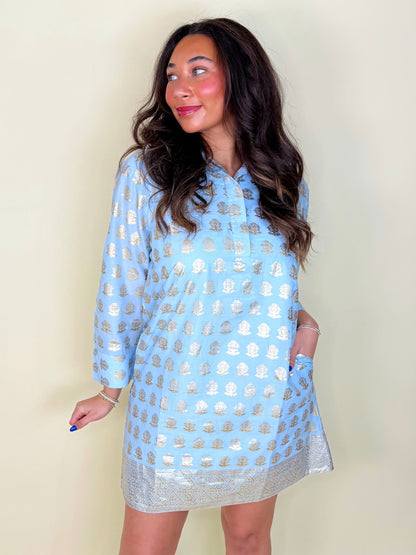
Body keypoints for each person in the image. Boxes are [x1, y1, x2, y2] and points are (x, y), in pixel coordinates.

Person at [69, 17, 334, 555]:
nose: (179, 89)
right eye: (171, 76)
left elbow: (272, 284)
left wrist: (304, 333)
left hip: (263, 397)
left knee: (249, 541)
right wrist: (110, 388)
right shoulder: (147, 174)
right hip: (173, 398)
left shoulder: (283, 178)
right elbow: (122, 283)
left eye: (197, 71)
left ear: (241, 78)